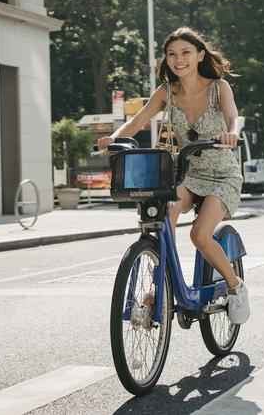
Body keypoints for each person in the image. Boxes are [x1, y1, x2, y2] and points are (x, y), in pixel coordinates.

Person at [98, 26, 250, 324]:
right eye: (172, 54)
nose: (178, 59)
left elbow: (233, 117)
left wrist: (232, 134)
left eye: (185, 53)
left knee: (199, 236)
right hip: (187, 171)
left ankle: (235, 286)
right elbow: (138, 121)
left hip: (222, 174)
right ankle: (160, 289)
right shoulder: (166, 92)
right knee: (163, 217)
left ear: (200, 55)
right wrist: (113, 138)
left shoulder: (219, 88)